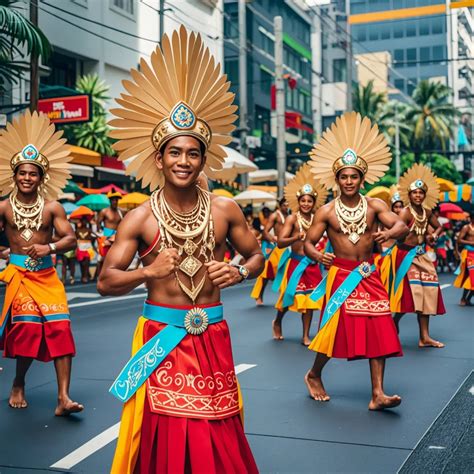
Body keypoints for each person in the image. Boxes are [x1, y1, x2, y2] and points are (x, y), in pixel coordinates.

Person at [98, 27, 261, 473]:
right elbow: (105, 280)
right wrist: (146, 274)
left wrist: (241, 272)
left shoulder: (226, 209)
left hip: (213, 335)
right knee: (167, 436)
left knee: (219, 428)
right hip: (162, 339)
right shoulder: (139, 218)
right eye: (175, 152)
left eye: (193, 153)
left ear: (204, 159)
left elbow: (256, 254)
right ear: (159, 158)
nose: (184, 161)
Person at [303, 112, 408, 410]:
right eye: (344, 177)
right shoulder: (325, 211)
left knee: (380, 327)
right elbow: (307, 243)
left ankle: (378, 394)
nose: (349, 181)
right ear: (336, 179)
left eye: (354, 176)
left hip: (368, 273)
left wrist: (389, 233)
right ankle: (313, 374)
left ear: (362, 179)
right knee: (333, 330)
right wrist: (317, 254)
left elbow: (401, 225)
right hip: (340, 275)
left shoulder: (375, 205)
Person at [0, 110, 83, 415]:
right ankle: (19, 382)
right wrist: (5, 254)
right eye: (22, 172)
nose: (27, 178)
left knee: (61, 329)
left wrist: (48, 247)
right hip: (19, 278)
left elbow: (70, 239)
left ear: (41, 178)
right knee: (29, 329)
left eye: (33, 173)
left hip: (47, 277)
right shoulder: (4, 208)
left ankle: (63, 398)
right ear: (14, 175)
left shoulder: (52, 208)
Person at [391, 164, 446, 348]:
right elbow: (397, 230)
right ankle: (395, 320)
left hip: (422, 255)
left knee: (428, 292)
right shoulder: (406, 212)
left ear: (424, 195)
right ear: (409, 194)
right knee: (411, 294)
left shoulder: (428, 212)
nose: (418, 196)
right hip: (406, 255)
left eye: (421, 193)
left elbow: (439, 226)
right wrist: (401, 233)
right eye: (415, 193)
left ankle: (424, 337)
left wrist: (433, 235)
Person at [273, 164, 328, 346]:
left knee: (310, 302)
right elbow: (280, 242)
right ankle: (278, 321)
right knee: (290, 299)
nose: (306, 204)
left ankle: (306, 335)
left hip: (312, 265)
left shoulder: (318, 219)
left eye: (309, 201)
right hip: (296, 264)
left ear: (314, 202)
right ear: (298, 202)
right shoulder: (291, 219)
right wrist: (296, 236)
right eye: (303, 201)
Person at [251, 198, 289, 306]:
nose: (287, 207)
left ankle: (284, 297)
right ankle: (259, 295)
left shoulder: (291, 216)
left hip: (288, 248)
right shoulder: (275, 216)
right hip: (276, 248)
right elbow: (265, 232)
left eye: (288, 205)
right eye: (285, 205)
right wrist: (274, 240)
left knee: (288, 271)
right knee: (266, 274)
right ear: (280, 205)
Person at [95, 190, 123, 278]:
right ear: (110, 201)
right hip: (106, 237)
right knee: (102, 258)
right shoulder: (104, 211)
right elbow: (98, 223)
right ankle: (99, 276)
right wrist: (100, 236)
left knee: (116, 258)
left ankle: (112, 275)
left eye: (116, 200)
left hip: (117, 237)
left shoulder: (121, 212)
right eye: (113, 200)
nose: (115, 202)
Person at [454, 211, 474, 306]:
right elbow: (459, 240)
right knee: (471, 277)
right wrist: (471, 243)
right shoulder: (466, 227)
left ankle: (468, 299)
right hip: (468, 254)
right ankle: (463, 298)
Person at [75, 217, 96, 283]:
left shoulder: (89, 230)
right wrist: (76, 248)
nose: (84, 222)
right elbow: (75, 239)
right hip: (80, 247)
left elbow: (94, 236)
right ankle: (83, 275)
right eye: (83, 221)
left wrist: (91, 239)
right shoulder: (77, 230)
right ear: (81, 222)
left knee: (87, 263)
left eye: (85, 221)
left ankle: (85, 277)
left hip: (88, 247)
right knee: (82, 263)